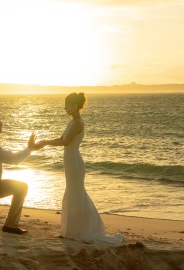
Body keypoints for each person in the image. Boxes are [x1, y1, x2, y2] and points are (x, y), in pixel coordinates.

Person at [36, 93, 123, 244]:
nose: (64, 108)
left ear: (75, 106)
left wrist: (45, 142)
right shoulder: (72, 122)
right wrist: (45, 142)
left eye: (67, 105)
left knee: (76, 192)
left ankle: (80, 230)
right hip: (70, 160)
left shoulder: (77, 123)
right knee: (72, 192)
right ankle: (71, 229)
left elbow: (66, 142)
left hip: (74, 161)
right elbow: (62, 139)